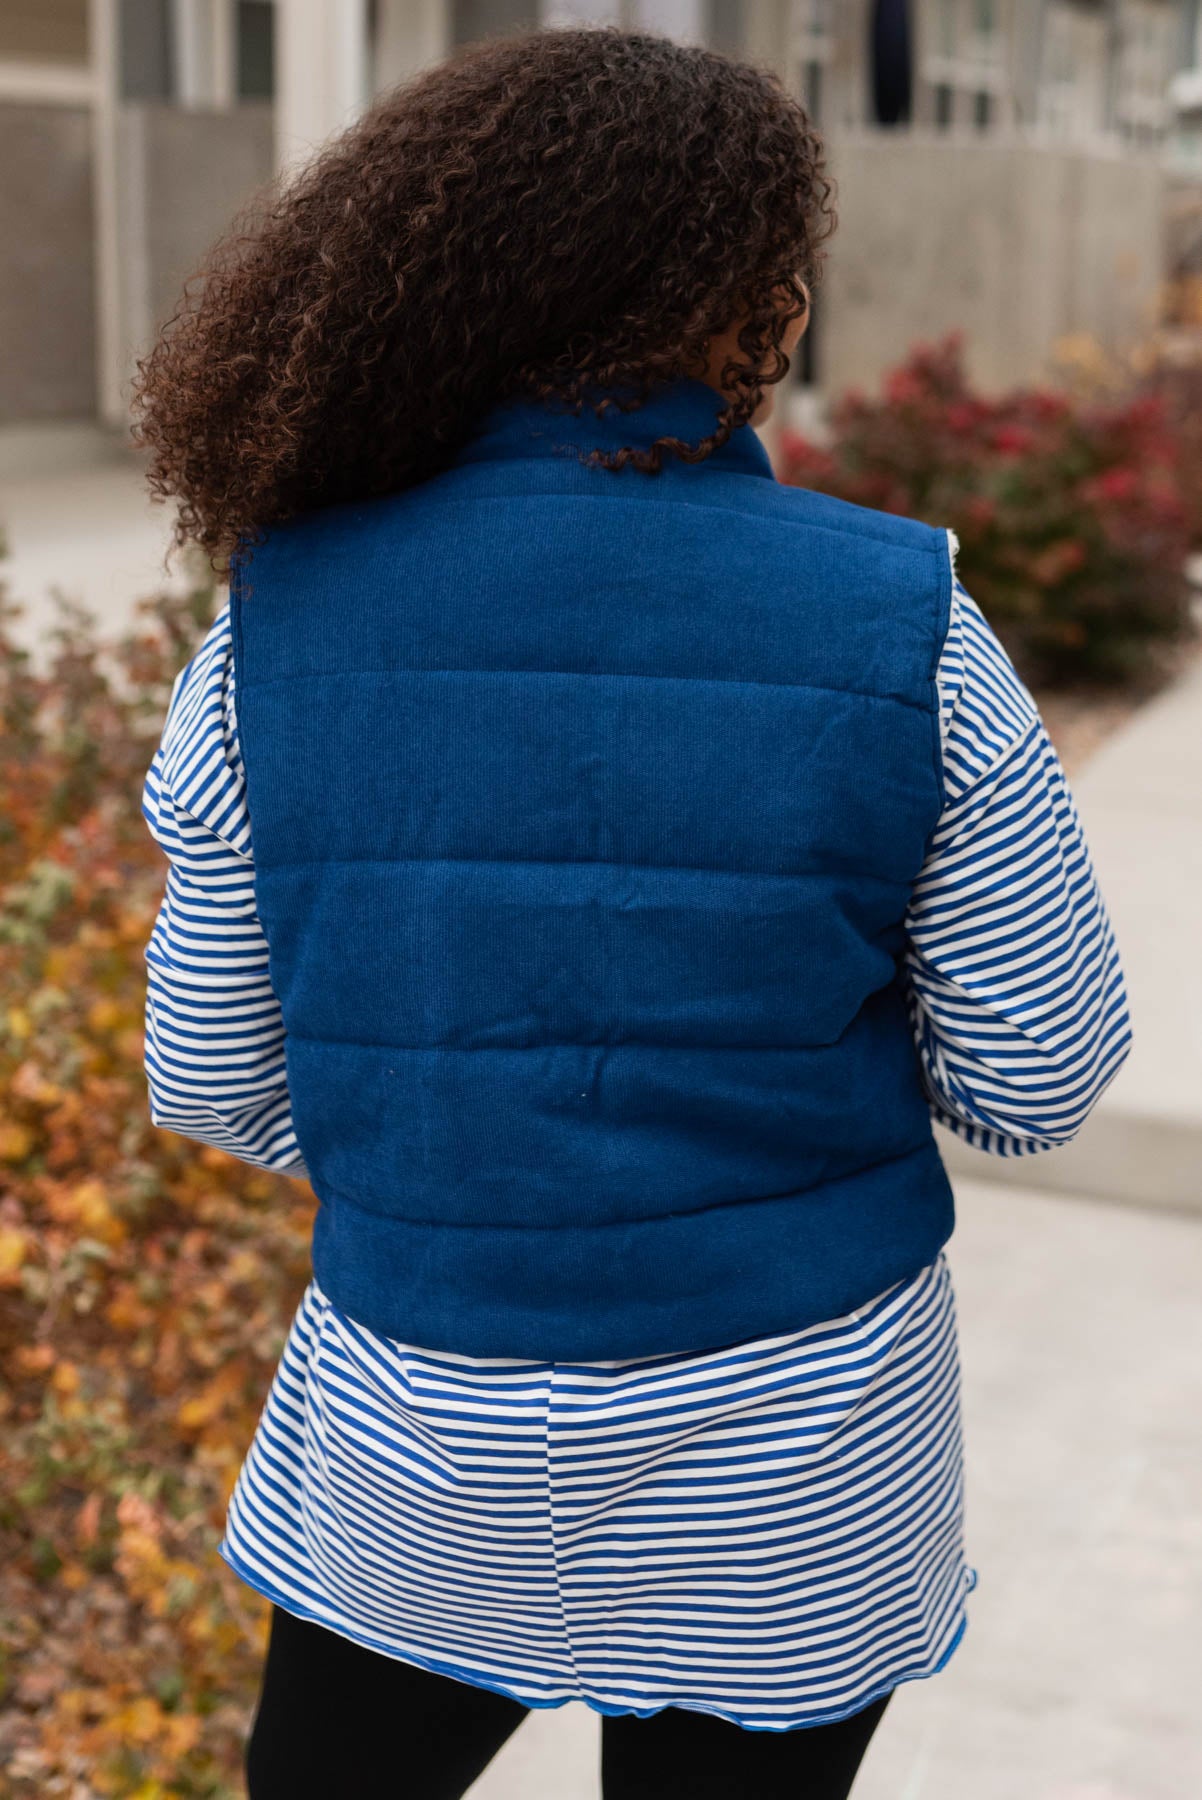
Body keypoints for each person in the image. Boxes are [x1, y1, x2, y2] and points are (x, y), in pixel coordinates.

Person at [134, 27, 1131, 1800]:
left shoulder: (274, 626)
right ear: (746, 304)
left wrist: (455, 1132)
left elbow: (214, 1073)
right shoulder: (901, 621)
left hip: (422, 1433)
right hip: (799, 1455)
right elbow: (1040, 1075)